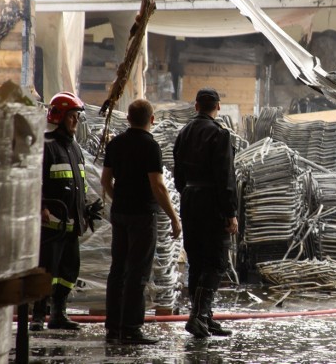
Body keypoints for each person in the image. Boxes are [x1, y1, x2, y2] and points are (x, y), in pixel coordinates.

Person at [101, 99, 181, 345]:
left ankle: (113, 328)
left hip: (120, 214)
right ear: (152, 119)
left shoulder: (115, 144)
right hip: (142, 216)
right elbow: (157, 185)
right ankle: (131, 329)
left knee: (118, 271)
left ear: (128, 119)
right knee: (138, 272)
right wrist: (174, 218)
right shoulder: (150, 146)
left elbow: (105, 181)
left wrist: (120, 199)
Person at [173, 88, 239, 338]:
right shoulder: (219, 134)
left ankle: (205, 316)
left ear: (196, 106)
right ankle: (198, 316)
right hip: (212, 203)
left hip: (190, 200)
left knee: (197, 260)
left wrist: (188, 193)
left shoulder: (184, 133)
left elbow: (177, 172)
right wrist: (230, 211)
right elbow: (226, 178)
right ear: (218, 107)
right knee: (217, 260)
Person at [30, 92, 93, 331]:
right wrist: (41, 205)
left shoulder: (74, 148)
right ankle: (38, 316)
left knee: (69, 270)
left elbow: (81, 183)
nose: (76, 121)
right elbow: (35, 180)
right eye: (72, 117)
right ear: (59, 117)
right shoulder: (47, 146)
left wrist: (84, 209)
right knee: (47, 271)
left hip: (71, 223)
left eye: (77, 117)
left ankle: (59, 313)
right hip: (51, 226)